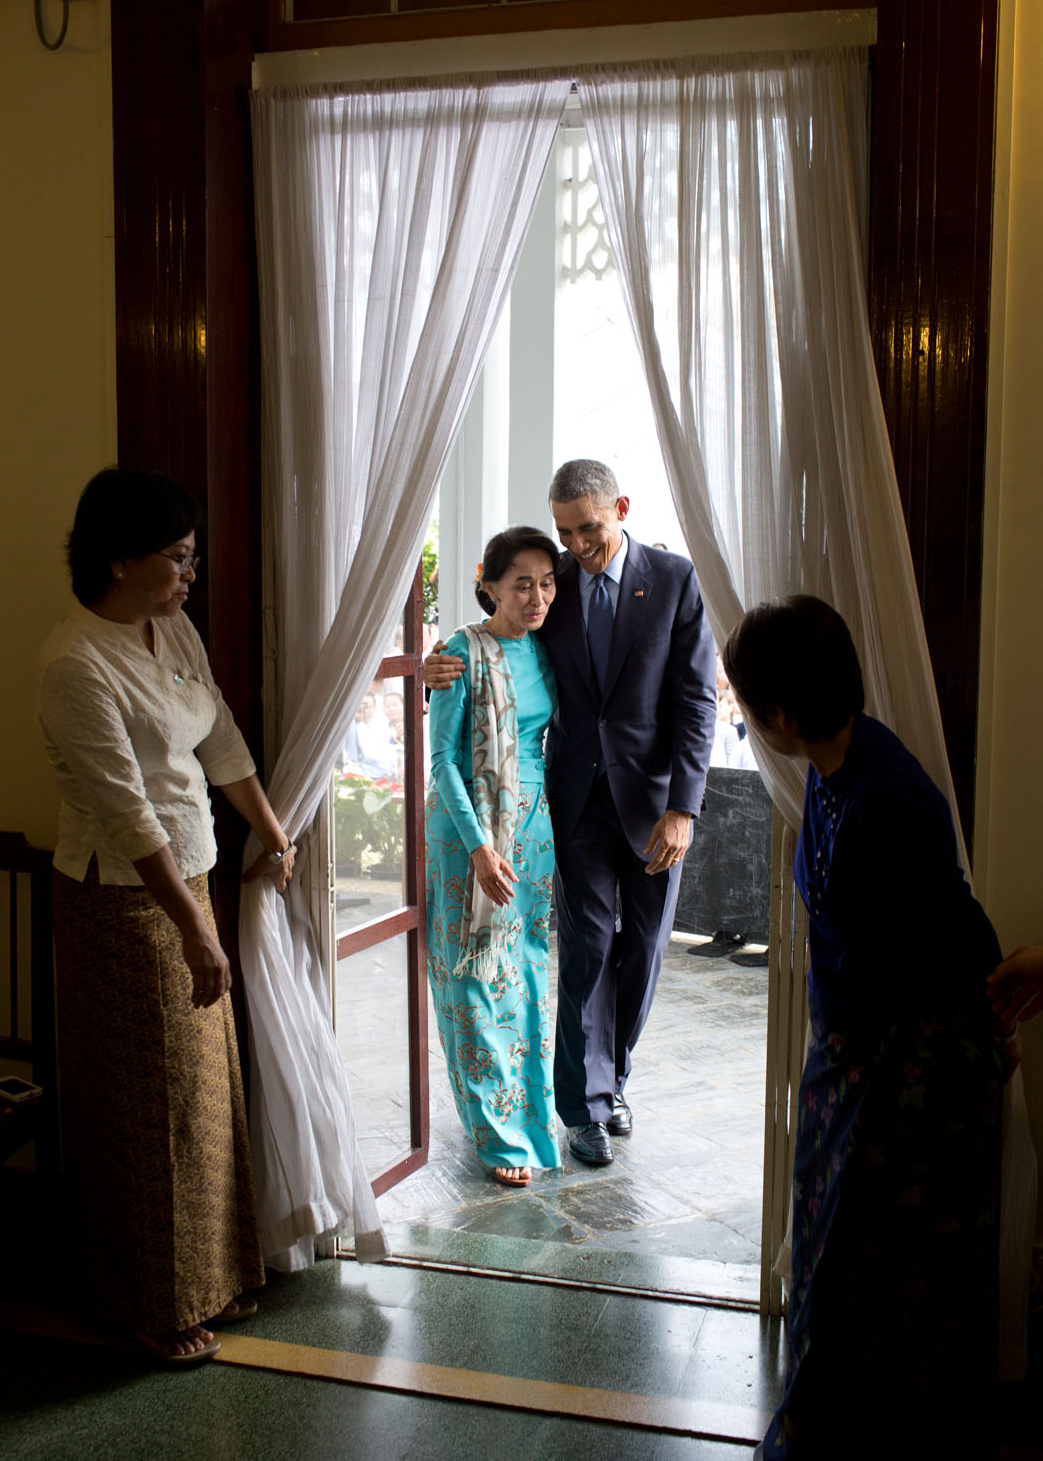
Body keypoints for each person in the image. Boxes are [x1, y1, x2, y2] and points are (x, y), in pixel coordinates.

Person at [722, 595, 1004, 1461]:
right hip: (857, 1054)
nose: (742, 715)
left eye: (744, 702)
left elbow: (948, 927)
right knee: (835, 1260)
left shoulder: (883, 791)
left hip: (908, 1069)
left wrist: (989, 1018)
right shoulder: (836, 760)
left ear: (777, 712)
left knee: (868, 1271)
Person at [37, 469, 296, 1366]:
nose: (192, 574)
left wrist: (274, 832)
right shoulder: (75, 662)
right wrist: (192, 931)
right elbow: (127, 814)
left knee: (201, 1097)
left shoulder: (169, 626)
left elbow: (218, 736)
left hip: (192, 881)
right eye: (177, 558)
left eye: (193, 558)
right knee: (148, 1108)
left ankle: (211, 1279)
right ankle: (147, 1302)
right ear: (119, 559)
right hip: (122, 902)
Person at [427, 461, 715, 1165]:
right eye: (565, 533)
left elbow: (696, 700)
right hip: (572, 806)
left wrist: (683, 807)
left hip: (653, 808)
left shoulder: (674, 580)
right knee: (584, 950)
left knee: (643, 951)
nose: (577, 547)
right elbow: (495, 637)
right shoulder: (545, 580)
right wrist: (436, 664)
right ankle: (582, 1107)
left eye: (588, 528)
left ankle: (612, 1077)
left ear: (619, 507)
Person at [425, 527, 562, 1186]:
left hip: (534, 833)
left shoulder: (545, 648)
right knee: (474, 975)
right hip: (469, 834)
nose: (536, 596)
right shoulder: (460, 651)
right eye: (521, 583)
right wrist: (479, 847)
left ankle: (533, 1122)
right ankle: (497, 1136)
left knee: (527, 974)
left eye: (546, 582)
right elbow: (442, 762)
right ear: (489, 585)